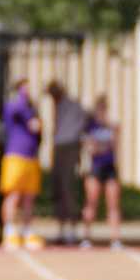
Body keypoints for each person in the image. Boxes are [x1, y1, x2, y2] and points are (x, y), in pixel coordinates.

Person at [0, 76, 46, 250]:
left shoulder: (32, 109)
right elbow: (24, 119)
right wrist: (25, 101)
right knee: (14, 195)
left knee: (29, 198)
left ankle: (26, 231)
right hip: (15, 156)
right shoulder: (16, 106)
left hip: (31, 157)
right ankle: (10, 231)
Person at [80, 95, 124, 248]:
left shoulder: (111, 126)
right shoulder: (90, 127)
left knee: (113, 204)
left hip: (110, 167)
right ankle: (86, 237)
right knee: (91, 202)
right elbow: (91, 148)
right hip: (95, 168)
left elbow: (115, 145)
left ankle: (115, 239)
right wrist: (98, 145)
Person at [46, 80, 86, 244]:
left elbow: (84, 121)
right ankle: (62, 228)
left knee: (68, 189)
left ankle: (71, 229)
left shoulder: (73, 106)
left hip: (69, 147)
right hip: (59, 147)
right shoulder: (58, 105)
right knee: (59, 189)